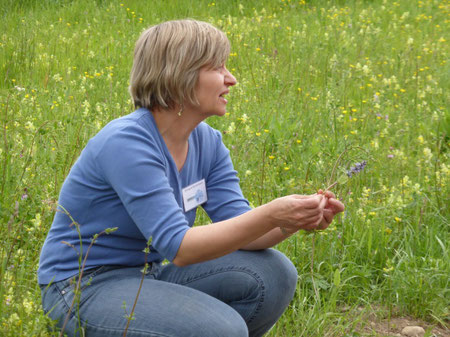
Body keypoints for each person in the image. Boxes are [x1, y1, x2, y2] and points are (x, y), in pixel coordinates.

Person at [38, 19, 345, 337]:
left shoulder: (207, 143)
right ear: (179, 74)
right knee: (221, 329)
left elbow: (246, 231)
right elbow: (180, 247)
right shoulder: (127, 142)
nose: (232, 79)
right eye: (218, 67)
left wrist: (293, 219)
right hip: (84, 287)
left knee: (275, 273)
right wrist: (272, 213)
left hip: (150, 275)